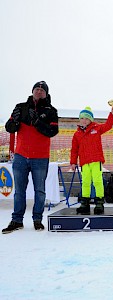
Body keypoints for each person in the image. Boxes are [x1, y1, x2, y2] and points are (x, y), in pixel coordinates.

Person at [2, 81, 59, 234]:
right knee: (19, 191)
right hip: (21, 156)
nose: (39, 91)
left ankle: (37, 219)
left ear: (46, 94)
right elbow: (9, 128)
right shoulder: (21, 107)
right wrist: (13, 120)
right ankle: (17, 220)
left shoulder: (51, 111)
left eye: (42, 90)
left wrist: (37, 122)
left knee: (40, 191)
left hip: (40, 158)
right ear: (32, 91)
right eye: (37, 89)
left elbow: (52, 131)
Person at [70, 105, 113, 215]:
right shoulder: (77, 134)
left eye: (87, 118)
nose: (84, 120)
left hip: (96, 160)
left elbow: (108, 125)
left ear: (91, 120)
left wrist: (112, 114)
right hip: (84, 162)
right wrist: (73, 162)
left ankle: (99, 203)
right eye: (82, 118)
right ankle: (84, 204)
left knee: (97, 181)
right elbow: (74, 150)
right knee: (85, 182)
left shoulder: (96, 128)